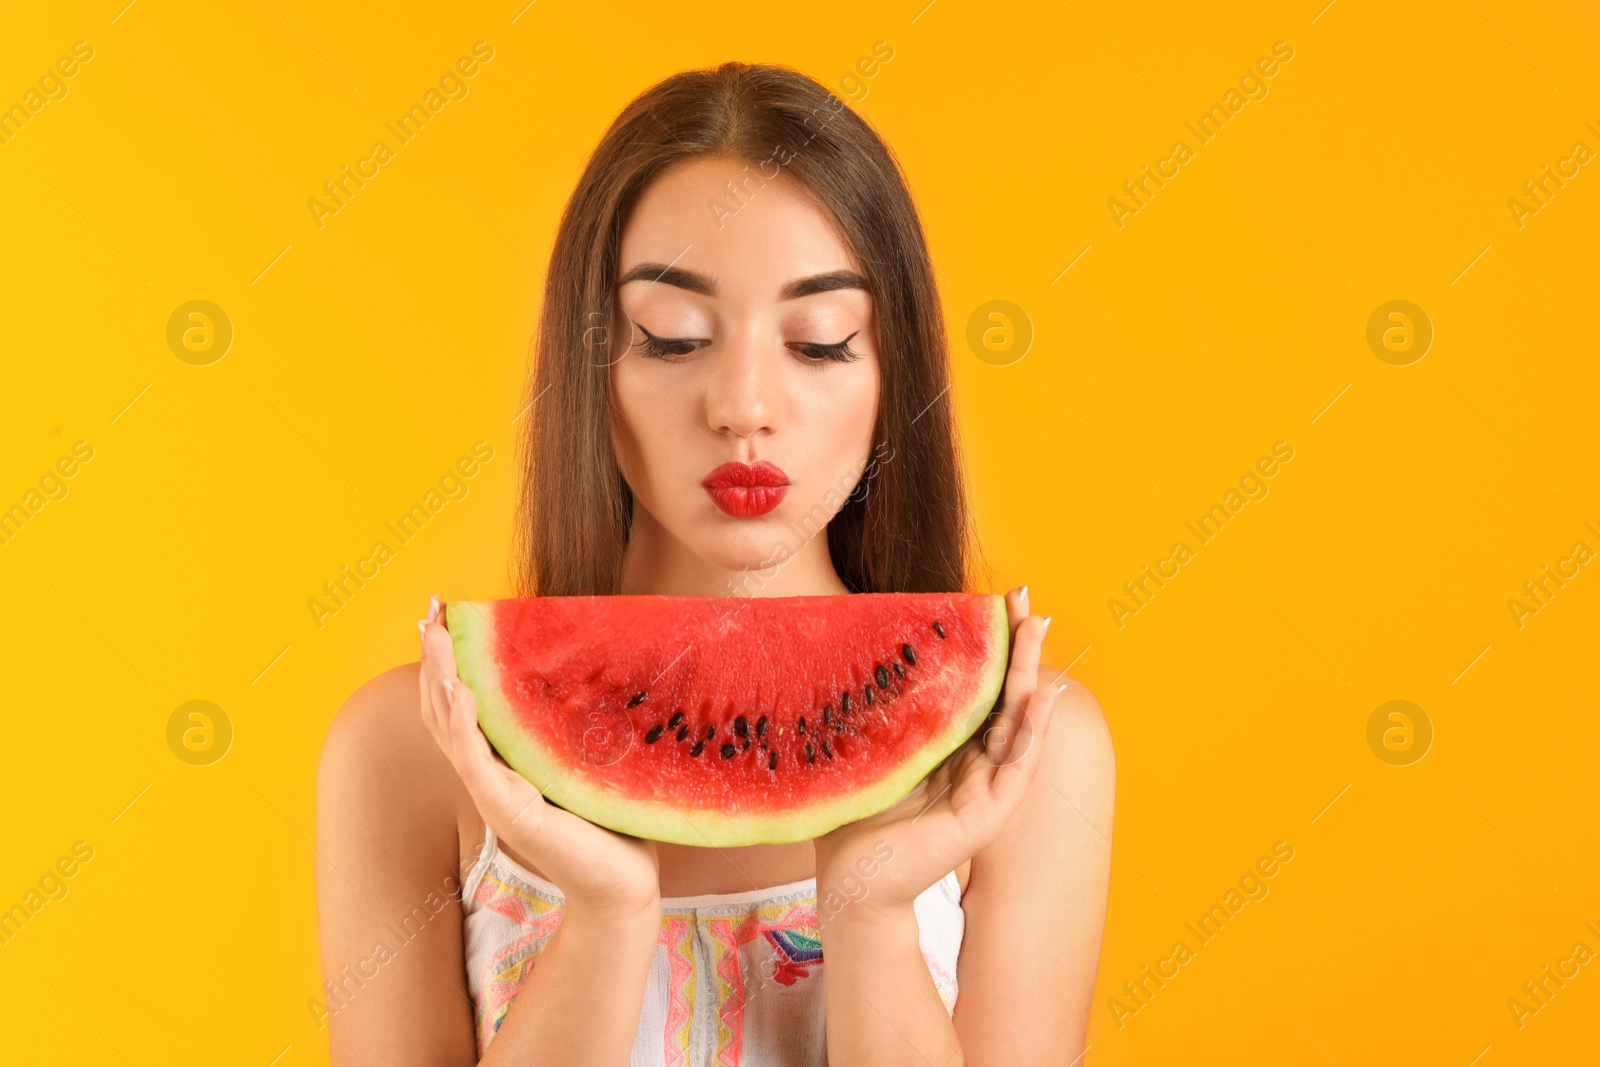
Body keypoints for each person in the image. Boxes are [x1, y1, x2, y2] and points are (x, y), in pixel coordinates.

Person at [316, 60, 1115, 1066]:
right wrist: (606, 915)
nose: (742, 404)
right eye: (672, 337)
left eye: (820, 342)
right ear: (588, 364)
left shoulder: (1029, 755)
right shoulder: (405, 751)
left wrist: (868, 915)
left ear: (891, 373)